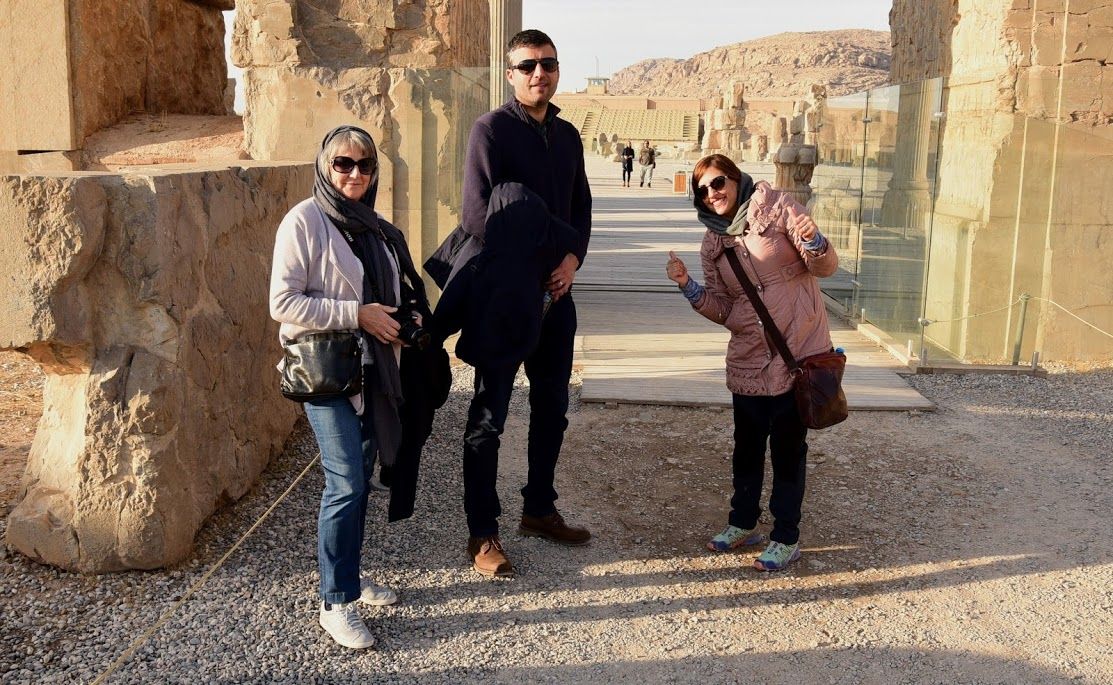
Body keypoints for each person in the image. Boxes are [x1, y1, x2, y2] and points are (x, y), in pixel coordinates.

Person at [270, 125, 431, 648]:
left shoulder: (377, 229)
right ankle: (334, 603)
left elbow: (393, 292)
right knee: (345, 483)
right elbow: (284, 303)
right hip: (329, 373)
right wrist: (355, 315)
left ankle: (350, 578)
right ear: (324, 165)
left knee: (360, 476)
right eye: (343, 164)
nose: (354, 174)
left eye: (364, 165)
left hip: (374, 375)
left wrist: (403, 320)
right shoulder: (305, 220)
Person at [456, 28, 592, 578]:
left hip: (557, 296)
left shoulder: (568, 136)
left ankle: (538, 508)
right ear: (511, 74)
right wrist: (539, 254)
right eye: (529, 65)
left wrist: (571, 261)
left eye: (549, 64)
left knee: (552, 410)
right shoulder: (491, 130)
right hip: (505, 298)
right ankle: (482, 532)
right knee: (489, 417)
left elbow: (581, 208)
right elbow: (476, 217)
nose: (540, 73)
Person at [665, 154, 837, 572]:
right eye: (702, 190)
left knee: (788, 450)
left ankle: (785, 536)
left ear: (736, 178)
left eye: (718, 182)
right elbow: (724, 309)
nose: (713, 194)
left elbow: (825, 267)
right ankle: (742, 523)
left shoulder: (779, 208)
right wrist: (688, 287)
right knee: (746, 449)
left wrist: (814, 241)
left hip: (796, 351)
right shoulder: (713, 242)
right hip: (747, 360)